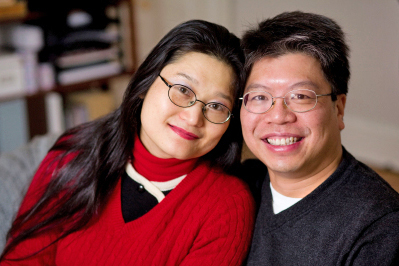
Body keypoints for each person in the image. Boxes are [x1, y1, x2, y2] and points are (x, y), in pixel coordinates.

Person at [0, 20, 255, 265]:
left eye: (217, 106)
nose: (193, 117)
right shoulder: (74, 153)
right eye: (183, 89)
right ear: (145, 83)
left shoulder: (226, 207)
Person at [239, 11, 399, 265]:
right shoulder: (241, 185)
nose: (278, 116)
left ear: (339, 109)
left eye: (301, 96)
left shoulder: (380, 228)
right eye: (259, 97)